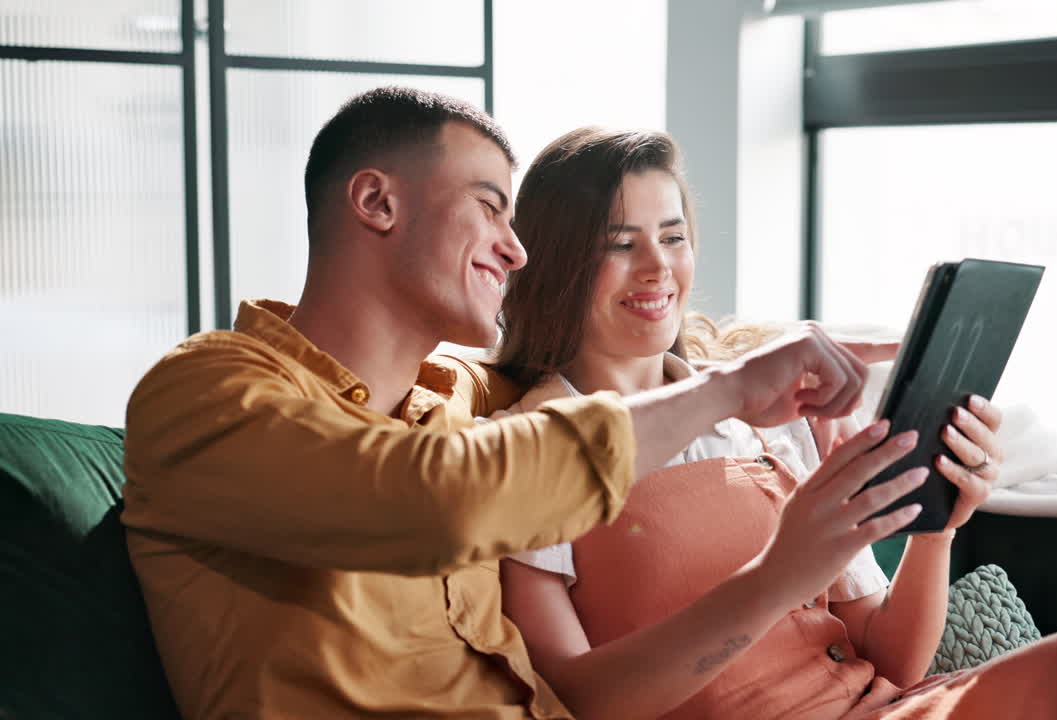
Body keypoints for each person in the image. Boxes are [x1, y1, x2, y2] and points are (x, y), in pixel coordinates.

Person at [119, 88, 900, 720]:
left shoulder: (450, 393)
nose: (517, 249)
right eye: (490, 206)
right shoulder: (208, 394)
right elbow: (441, 495)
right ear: (376, 203)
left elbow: (611, 365)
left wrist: (789, 369)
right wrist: (727, 388)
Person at [493, 126, 1057, 720]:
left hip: (888, 709)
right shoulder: (532, 449)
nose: (657, 268)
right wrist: (781, 573)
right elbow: (578, 699)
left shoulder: (766, 422)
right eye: (621, 244)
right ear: (557, 263)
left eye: (673, 237)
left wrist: (937, 527)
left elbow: (892, 656)